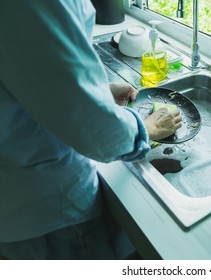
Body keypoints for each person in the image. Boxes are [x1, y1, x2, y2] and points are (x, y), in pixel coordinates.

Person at [0, 0, 182, 259]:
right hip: (50, 212)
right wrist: (146, 127)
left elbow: (32, 73)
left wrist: (97, 93)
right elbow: (95, 131)